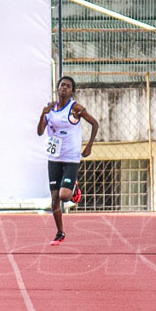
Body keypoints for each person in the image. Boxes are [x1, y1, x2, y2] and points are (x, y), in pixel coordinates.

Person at [37, 75, 99, 245]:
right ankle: (60, 232)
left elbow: (95, 123)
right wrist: (43, 114)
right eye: (62, 85)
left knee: (65, 195)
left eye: (68, 86)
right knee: (55, 198)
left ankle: (74, 186)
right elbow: (40, 131)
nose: (64, 88)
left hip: (71, 157)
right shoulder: (50, 109)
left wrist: (89, 146)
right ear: (57, 89)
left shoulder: (75, 108)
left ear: (72, 91)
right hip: (54, 157)